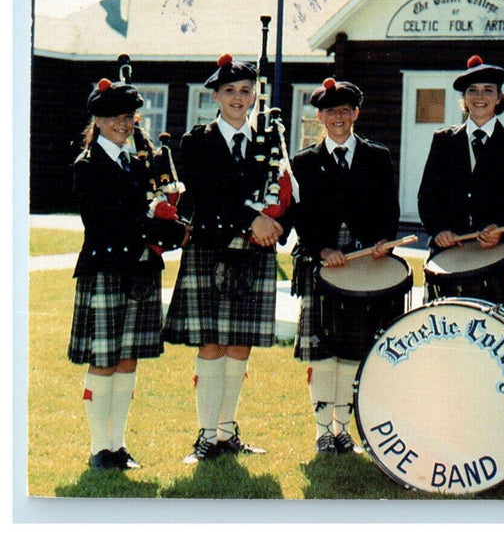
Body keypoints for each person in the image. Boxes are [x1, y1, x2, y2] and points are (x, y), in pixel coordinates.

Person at [163, 53, 284, 464]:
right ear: (215, 95)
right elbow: (210, 194)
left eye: (245, 91)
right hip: (211, 248)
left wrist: (277, 221)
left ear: (255, 96)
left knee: (240, 345)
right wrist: (253, 219)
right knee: (212, 343)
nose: (238, 98)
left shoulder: (269, 140)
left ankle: (226, 432)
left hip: (253, 251)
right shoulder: (196, 141)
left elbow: (282, 190)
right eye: (229, 91)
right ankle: (205, 435)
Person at [69, 78, 188, 470]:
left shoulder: (140, 163)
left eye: (129, 117)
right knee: (104, 359)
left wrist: (174, 226)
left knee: (128, 358)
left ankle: (118, 445)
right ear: (99, 121)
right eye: (114, 117)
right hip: (107, 266)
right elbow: (110, 223)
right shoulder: (88, 166)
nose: (123, 124)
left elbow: (153, 206)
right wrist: (165, 231)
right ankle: (97, 447)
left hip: (140, 268)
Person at [286, 78, 400, 455]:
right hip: (320, 268)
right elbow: (298, 217)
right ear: (319, 116)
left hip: (365, 265)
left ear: (356, 114)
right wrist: (321, 249)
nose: (338, 117)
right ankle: (322, 431)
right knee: (322, 352)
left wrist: (381, 241)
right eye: (330, 111)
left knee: (353, 349)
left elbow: (389, 210)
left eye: (344, 110)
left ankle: (343, 429)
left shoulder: (377, 156)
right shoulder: (302, 162)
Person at [417, 54, 504, 319]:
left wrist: (500, 230)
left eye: (488, 90)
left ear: (499, 98)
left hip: (498, 255)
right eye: (473, 91)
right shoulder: (443, 140)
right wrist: (437, 230)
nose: (480, 97)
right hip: (449, 253)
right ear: (465, 98)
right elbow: (427, 197)